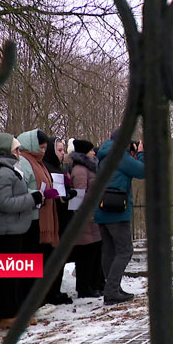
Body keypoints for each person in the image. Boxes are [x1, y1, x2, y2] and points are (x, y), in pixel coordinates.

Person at [0, 133, 42, 329]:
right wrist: (34, 199)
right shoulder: (2, 173)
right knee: (8, 277)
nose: (19, 152)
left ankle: (15, 311)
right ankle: (8, 315)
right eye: (15, 149)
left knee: (14, 275)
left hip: (13, 228)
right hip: (5, 231)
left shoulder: (9, 170)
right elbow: (4, 203)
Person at [17, 129, 71, 305]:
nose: (42, 150)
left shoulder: (38, 162)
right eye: (40, 147)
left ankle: (44, 296)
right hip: (34, 216)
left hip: (45, 213)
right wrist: (40, 194)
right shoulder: (25, 162)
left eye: (44, 147)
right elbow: (21, 187)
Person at [95, 132, 144, 306]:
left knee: (109, 250)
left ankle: (113, 288)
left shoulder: (104, 155)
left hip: (102, 209)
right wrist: (141, 152)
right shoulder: (119, 156)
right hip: (116, 210)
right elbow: (142, 171)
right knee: (125, 250)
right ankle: (112, 290)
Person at [69, 139, 104, 298]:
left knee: (95, 252)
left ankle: (94, 284)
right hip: (86, 219)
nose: (93, 152)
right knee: (86, 255)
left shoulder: (88, 168)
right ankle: (84, 287)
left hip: (93, 216)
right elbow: (79, 194)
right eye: (90, 150)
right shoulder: (80, 171)